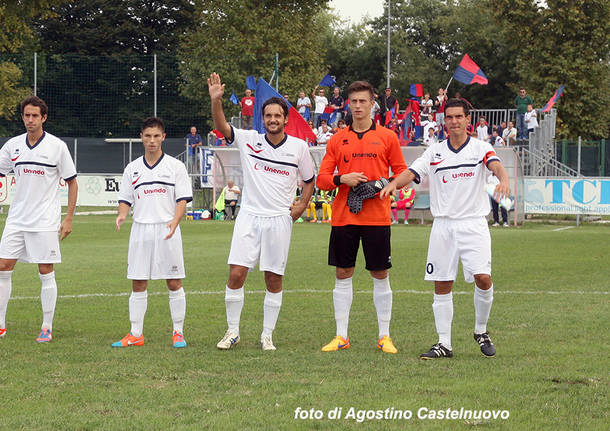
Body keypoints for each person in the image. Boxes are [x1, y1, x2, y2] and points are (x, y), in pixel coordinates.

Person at [380, 98, 510, 359]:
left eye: (458, 117)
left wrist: (503, 179)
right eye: (449, 117)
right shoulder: (435, 151)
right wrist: (394, 183)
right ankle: (444, 344)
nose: (453, 121)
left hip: (473, 224)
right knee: (442, 283)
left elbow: (494, 165)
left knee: (483, 278)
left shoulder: (480, 148)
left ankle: (481, 331)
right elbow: (413, 172)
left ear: (467, 120)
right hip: (443, 226)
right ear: (444, 121)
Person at [208, 72, 315, 351]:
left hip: (280, 218)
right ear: (262, 118)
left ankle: (267, 334)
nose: (272, 120)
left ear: (285, 119)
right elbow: (221, 126)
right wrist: (216, 101)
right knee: (236, 274)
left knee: (273, 277)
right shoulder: (249, 140)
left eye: (277, 116)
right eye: (268, 116)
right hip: (249, 216)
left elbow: (309, 179)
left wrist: (302, 204)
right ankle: (232, 331)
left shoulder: (298, 148)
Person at [316, 80, 408, 354]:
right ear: (349, 103)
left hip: (377, 217)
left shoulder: (388, 137)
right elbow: (322, 179)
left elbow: (403, 172)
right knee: (343, 273)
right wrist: (342, 178)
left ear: (372, 104)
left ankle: (384, 336)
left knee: (380, 274)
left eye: (363, 101)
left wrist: (389, 184)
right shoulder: (337, 139)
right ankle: (341, 335)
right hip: (344, 218)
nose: (358, 106)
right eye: (353, 101)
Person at [0, 96, 78, 343]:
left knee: (45, 270)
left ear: (44, 118)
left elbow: (72, 182)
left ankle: (46, 326)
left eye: (35, 116)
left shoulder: (57, 146)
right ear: (22, 117)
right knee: (3, 267)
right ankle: (0, 324)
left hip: (45, 220)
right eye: (26, 115)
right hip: (16, 219)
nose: (30, 120)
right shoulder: (12, 146)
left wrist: (68, 218)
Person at [113, 117, 192, 349]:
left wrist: (175, 222)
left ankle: (178, 332)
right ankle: (136, 333)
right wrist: (121, 214)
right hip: (140, 230)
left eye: (156, 136)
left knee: (174, 281)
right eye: (148, 136)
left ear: (163, 137)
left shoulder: (176, 167)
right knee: (138, 282)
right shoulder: (132, 168)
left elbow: (182, 200)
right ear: (141, 137)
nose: (152, 141)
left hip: (167, 229)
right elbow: (125, 200)